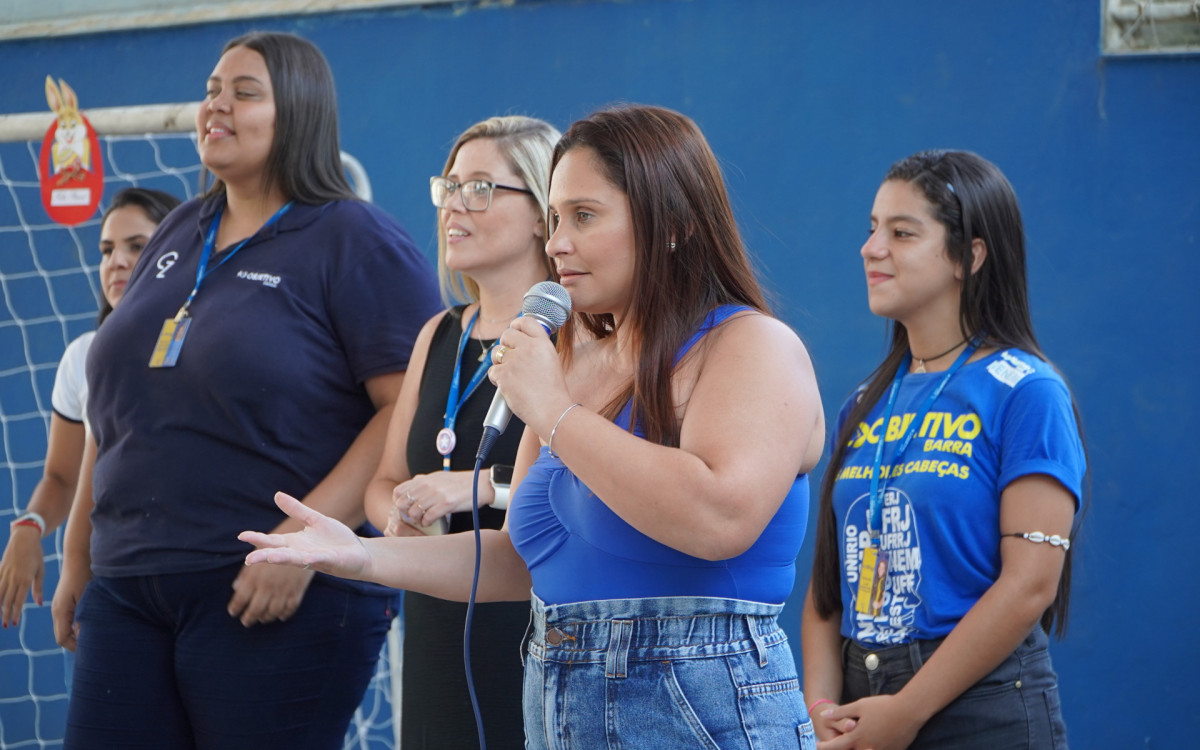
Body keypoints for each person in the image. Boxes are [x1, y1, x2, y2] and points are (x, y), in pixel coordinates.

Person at [242, 104, 826, 749]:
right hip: (557, 696)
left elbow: (718, 518)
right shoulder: (571, 362)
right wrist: (364, 555)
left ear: (673, 224)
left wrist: (553, 409)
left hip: (698, 703)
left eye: (583, 216)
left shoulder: (751, 346)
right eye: (553, 218)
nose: (556, 244)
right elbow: (526, 560)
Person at [52, 31, 440, 749]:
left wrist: (301, 544)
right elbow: (117, 417)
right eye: (210, 90)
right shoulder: (175, 230)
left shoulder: (353, 237)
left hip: (270, 592)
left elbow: (405, 409)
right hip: (129, 588)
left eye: (244, 92)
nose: (215, 106)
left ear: (296, 112)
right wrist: (79, 558)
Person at [800, 150, 1087, 749]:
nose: (871, 248)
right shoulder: (863, 402)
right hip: (862, 705)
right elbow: (829, 590)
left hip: (980, 709)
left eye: (902, 233)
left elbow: (1031, 585)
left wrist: (907, 711)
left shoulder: (1028, 391)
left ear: (970, 256)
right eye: (872, 229)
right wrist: (820, 705)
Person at [363, 115, 560, 749]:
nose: (455, 205)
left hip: (536, 631)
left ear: (540, 211)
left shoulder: (578, 333)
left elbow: (588, 482)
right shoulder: (439, 333)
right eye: (448, 186)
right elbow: (386, 479)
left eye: (479, 188)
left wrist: (479, 490)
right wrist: (405, 512)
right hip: (435, 629)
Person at [1, 187, 180, 630]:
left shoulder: (210, 341)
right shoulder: (84, 355)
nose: (116, 261)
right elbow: (63, 478)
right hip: (113, 576)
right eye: (106, 250)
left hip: (197, 570)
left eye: (136, 246)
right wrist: (30, 526)